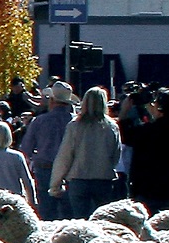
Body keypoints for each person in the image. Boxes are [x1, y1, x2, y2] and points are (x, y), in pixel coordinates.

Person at [48, 85, 124, 220]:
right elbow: (116, 156)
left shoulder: (75, 125)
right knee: (102, 221)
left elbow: (65, 157)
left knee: (81, 220)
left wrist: (55, 184)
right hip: (103, 179)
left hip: (78, 179)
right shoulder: (112, 127)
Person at [19, 84, 74, 219]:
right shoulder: (75, 121)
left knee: (47, 212)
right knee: (69, 213)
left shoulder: (40, 121)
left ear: (51, 101)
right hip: (71, 171)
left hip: (45, 169)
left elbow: (26, 148)